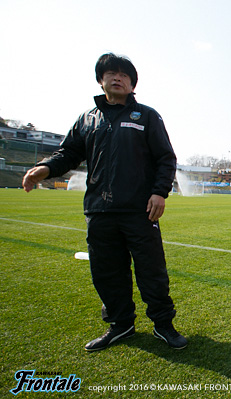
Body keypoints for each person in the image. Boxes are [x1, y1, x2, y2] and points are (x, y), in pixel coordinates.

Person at [22, 53, 187, 351]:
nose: (118, 78)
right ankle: (120, 325)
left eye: (124, 75)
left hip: (140, 210)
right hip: (99, 210)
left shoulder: (147, 116)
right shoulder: (87, 119)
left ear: (133, 83)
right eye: (111, 73)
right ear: (101, 80)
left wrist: (159, 192)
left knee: (152, 271)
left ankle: (164, 325)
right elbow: (68, 154)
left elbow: (165, 158)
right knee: (107, 271)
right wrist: (45, 168)